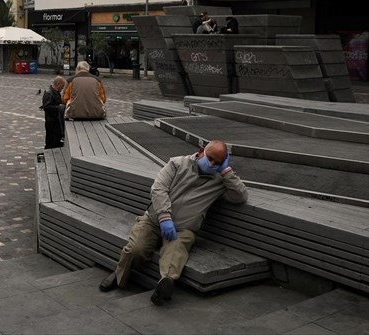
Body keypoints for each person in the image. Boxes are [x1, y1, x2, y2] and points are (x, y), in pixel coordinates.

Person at [98, 140, 248, 305]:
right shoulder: (177, 163)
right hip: (154, 221)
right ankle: (119, 275)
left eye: (217, 163)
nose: (212, 164)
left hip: (184, 229)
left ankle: (165, 285)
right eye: (210, 158)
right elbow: (158, 189)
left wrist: (226, 171)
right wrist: (164, 217)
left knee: (175, 254)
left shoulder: (221, 179)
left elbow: (239, 196)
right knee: (135, 249)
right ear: (201, 151)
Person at [41, 76, 67, 149]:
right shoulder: (49, 93)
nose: (62, 89)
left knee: (56, 141)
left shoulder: (55, 92)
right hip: (51, 121)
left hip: (55, 120)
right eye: (62, 87)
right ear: (58, 84)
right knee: (51, 141)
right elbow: (46, 107)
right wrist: (59, 107)